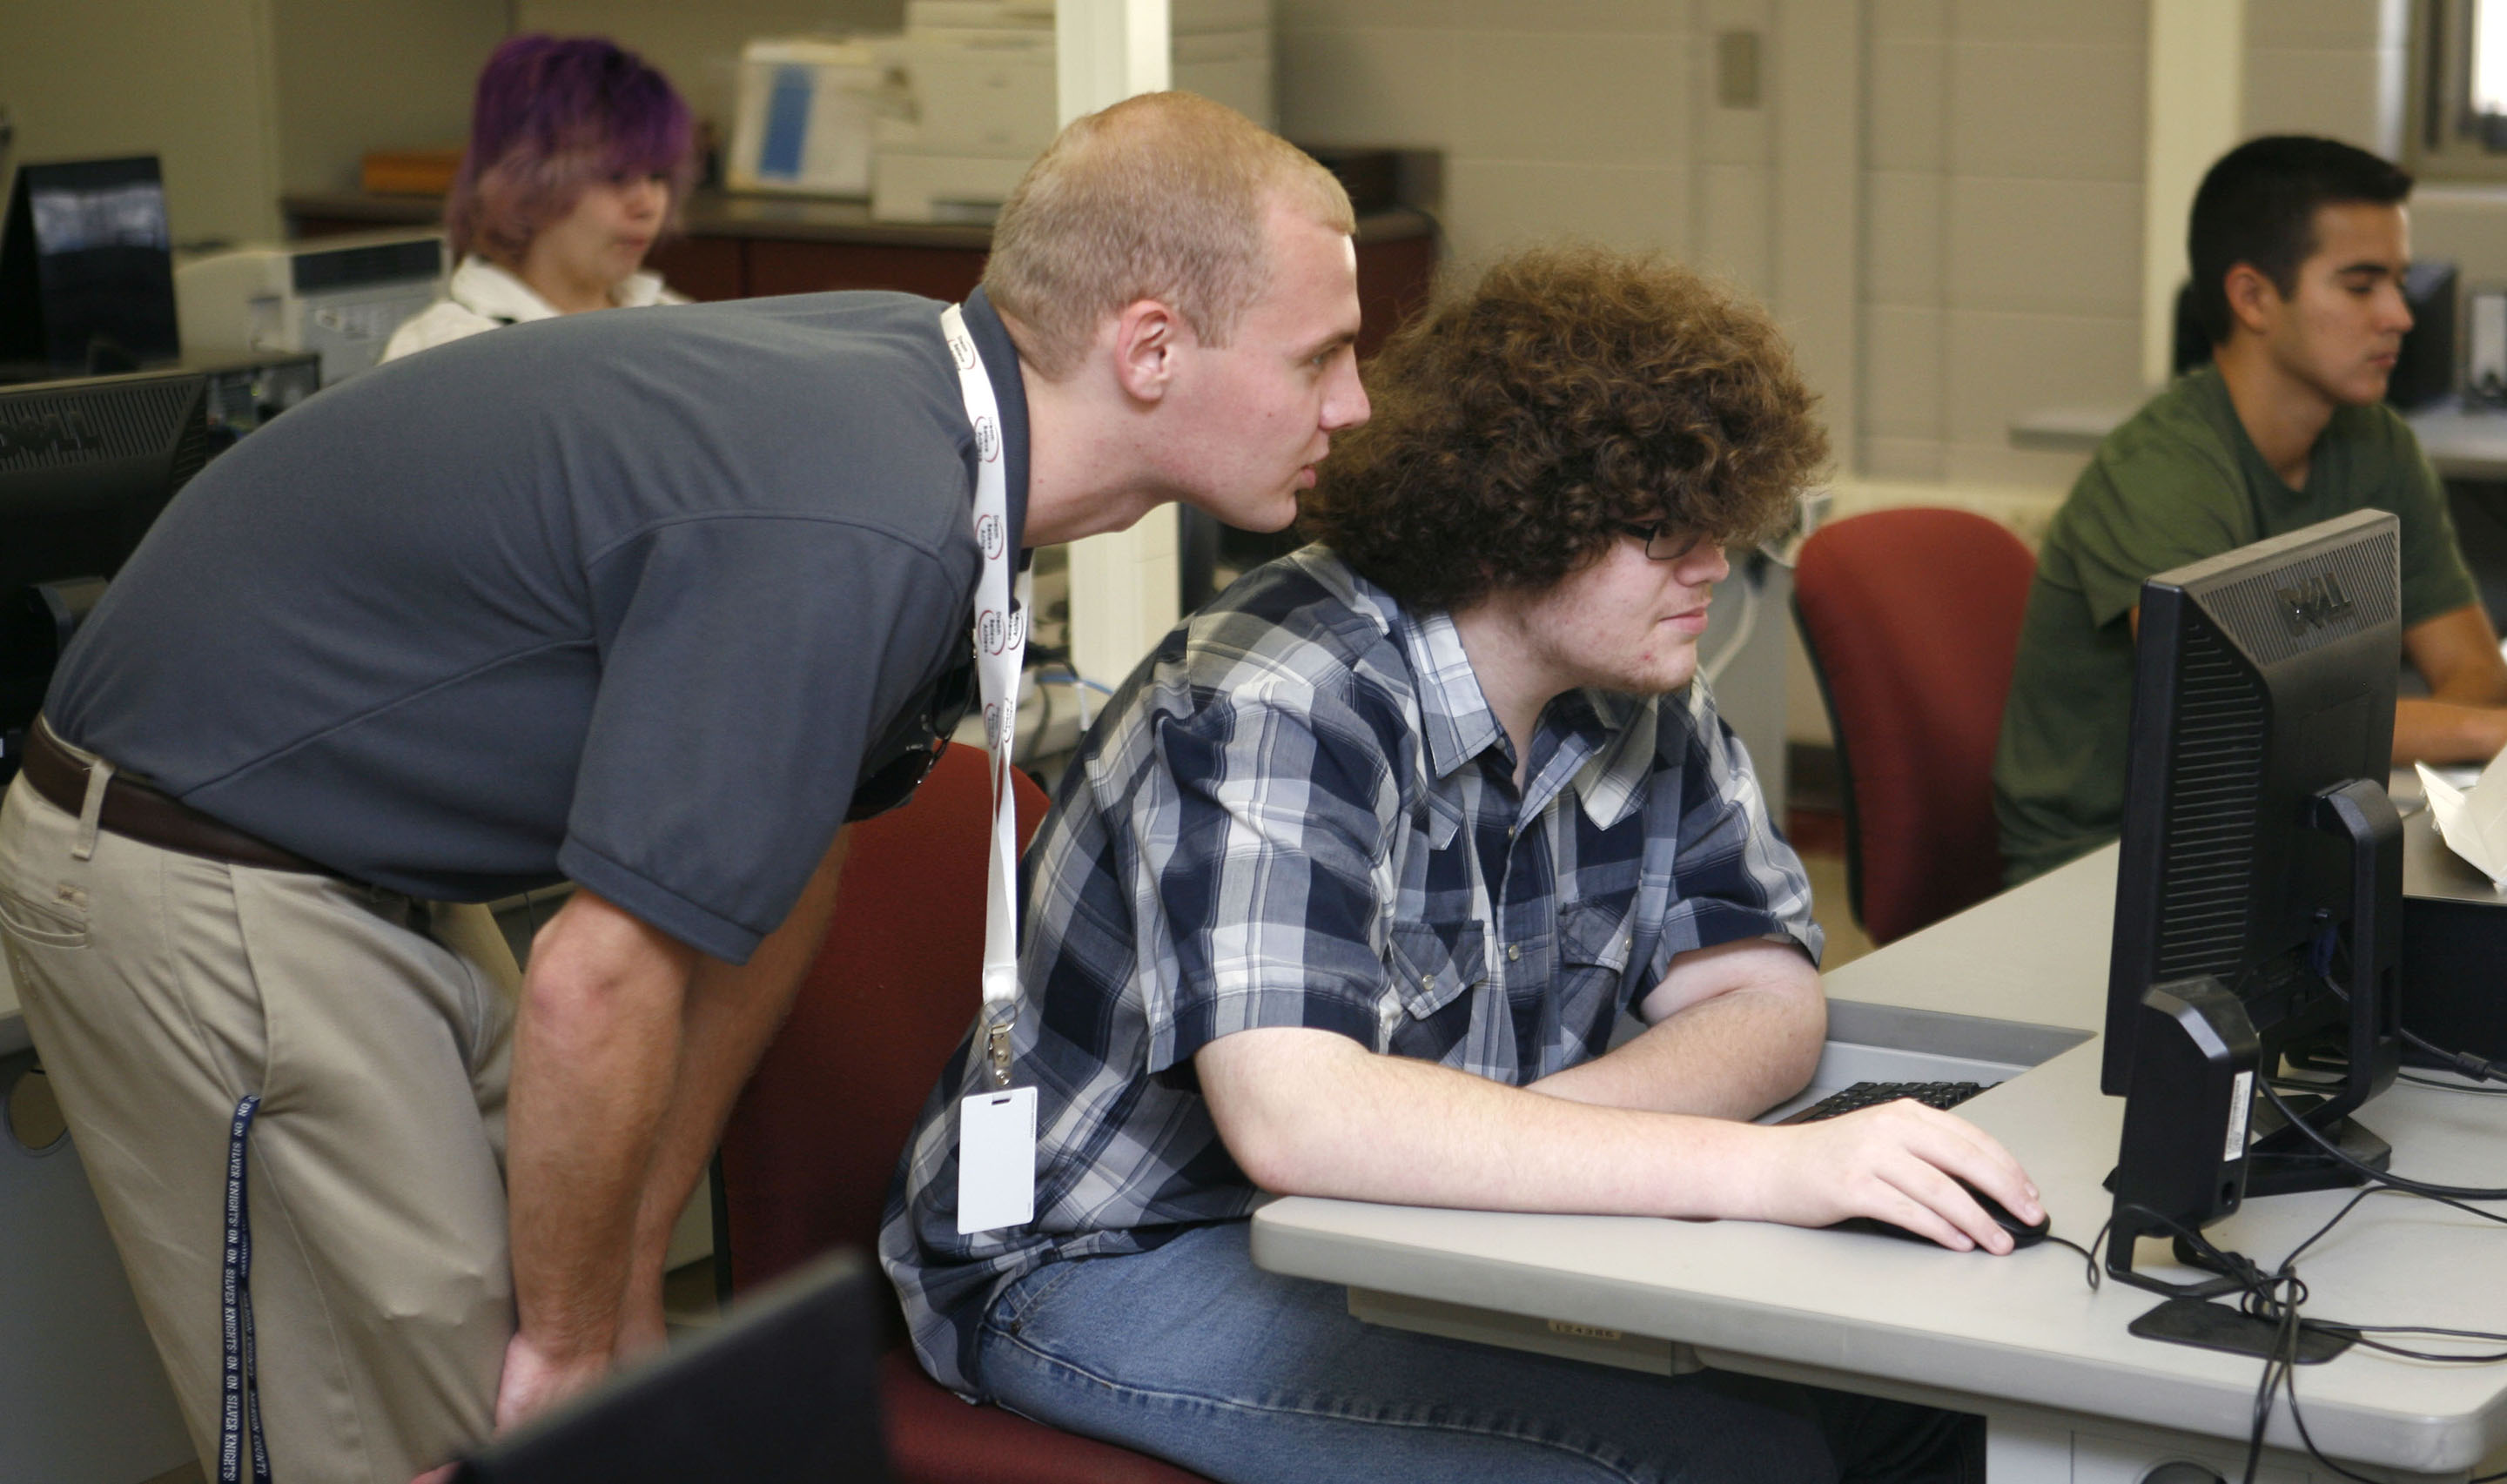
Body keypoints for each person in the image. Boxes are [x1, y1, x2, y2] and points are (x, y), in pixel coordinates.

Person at [0, 91, 1365, 1484]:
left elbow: (774, 881)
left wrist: (632, 1272)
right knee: (458, 1429)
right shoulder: (861, 516)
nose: (1355, 402)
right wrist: (581, 1347)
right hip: (199, 843)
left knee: (543, 1368)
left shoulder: (938, 432)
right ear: (1149, 348)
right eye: (1321, 356)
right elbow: (599, 979)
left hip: (355, 850)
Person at [882, 245, 2041, 1483]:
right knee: (1726, 1459)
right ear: (1512, 517)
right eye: (1662, 527)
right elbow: (1303, 1123)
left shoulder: (1638, 683)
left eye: (1723, 516)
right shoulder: (1274, 701)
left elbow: (1762, 997)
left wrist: (1499, 1148)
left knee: (1917, 1399)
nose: (1712, 562)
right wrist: (1757, 1169)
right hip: (1108, 1258)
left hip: (1380, 1233)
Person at [1995, 135, 2507, 884]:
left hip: (2278, 834)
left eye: (2399, 282)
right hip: (2109, 865)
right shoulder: (2163, 472)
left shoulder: (2378, 443)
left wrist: (2469, 724)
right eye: (2362, 285)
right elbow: (2236, 720)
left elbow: (2469, 666)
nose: (2399, 314)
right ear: (2253, 297)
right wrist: (2485, 732)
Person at [381, 35, 696, 363]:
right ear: (525, 187)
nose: (648, 206)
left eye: (658, 177)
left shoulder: (682, 324)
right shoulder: (445, 349)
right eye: (616, 177)